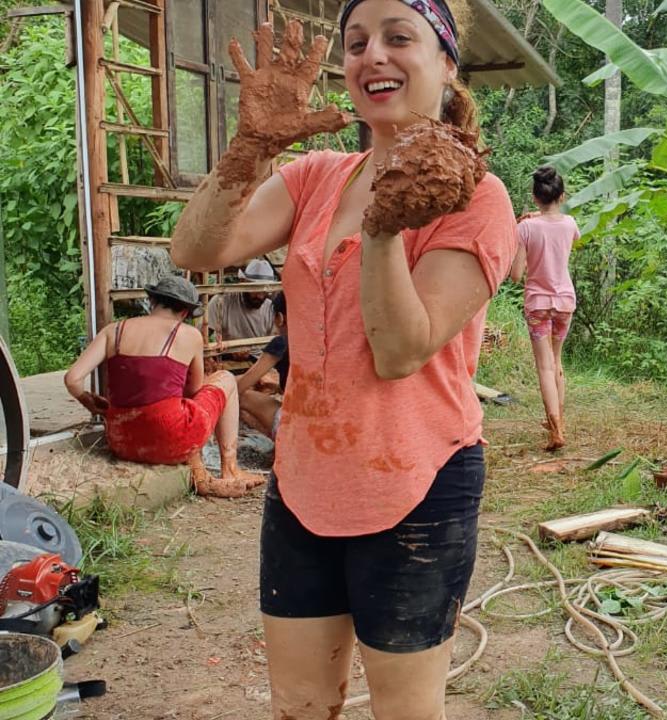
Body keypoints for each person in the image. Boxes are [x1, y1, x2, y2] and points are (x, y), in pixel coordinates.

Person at [169, 6, 517, 719]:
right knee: (298, 703)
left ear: (448, 63)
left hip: (418, 485)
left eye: (398, 38)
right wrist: (249, 147)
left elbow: (399, 352)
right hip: (303, 480)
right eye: (357, 44)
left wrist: (386, 225)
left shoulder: (476, 195)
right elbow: (196, 251)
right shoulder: (318, 177)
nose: (372, 57)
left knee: (404, 711)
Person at [63, 276, 264, 498]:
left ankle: (204, 472)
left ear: (152, 302)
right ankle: (230, 469)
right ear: (185, 313)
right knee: (225, 378)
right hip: (171, 441)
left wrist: (87, 400)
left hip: (121, 441)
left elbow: (72, 379)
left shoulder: (113, 331)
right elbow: (194, 390)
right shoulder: (189, 335)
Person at [510, 166, 578, 451]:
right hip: (565, 302)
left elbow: (515, 274)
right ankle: (558, 419)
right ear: (561, 196)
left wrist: (523, 224)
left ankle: (555, 429)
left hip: (538, 303)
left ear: (535, 198)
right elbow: (561, 231)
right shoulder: (571, 223)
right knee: (557, 363)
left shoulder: (525, 227)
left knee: (544, 367)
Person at [237, 292, 289, 440]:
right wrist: (275, 387)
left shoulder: (282, 342)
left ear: (279, 318)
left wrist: (213, 382)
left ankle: (281, 444)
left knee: (241, 397)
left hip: (295, 424)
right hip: (328, 425)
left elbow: (240, 385)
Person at [207, 258, 276, 344]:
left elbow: (275, 342)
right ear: (243, 282)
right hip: (226, 354)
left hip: (261, 356)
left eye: (264, 291)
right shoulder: (221, 301)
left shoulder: (270, 309)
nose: (259, 296)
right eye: (255, 289)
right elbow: (204, 333)